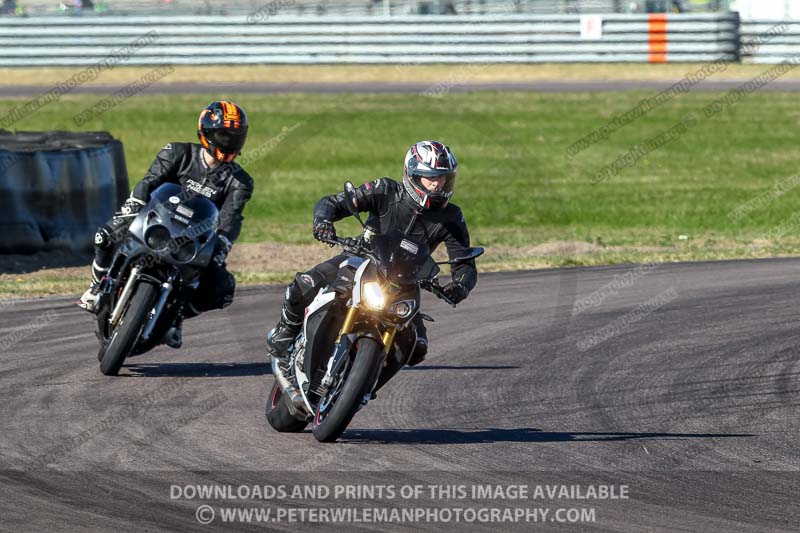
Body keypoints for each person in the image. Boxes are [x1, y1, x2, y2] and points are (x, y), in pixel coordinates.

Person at [266, 140, 477, 369]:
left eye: (443, 177)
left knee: (417, 347)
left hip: (404, 283)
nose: (438, 185)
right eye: (431, 178)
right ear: (414, 175)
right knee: (304, 285)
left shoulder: (452, 217)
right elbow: (332, 203)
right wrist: (323, 221)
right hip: (360, 260)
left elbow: (465, 262)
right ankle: (285, 333)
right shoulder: (385, 190)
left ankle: (366, 381)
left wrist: (460, 285)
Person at [78, 100, 254, 348]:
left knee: (222, 288)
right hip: (155, 222)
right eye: (223, 134)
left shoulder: (240, 181)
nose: (228, 142)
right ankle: (96, 288)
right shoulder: (176, 152)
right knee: (104, 237)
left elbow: (231, 216)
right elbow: (148, 182)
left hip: (192, 240)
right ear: (206, 132)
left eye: (235, 136)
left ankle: (176, 317)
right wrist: (133, 204)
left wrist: (223, 242)